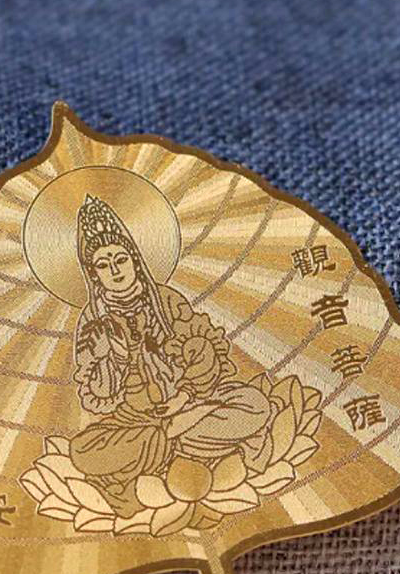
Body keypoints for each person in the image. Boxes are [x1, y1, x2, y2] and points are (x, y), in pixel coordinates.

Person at [68, 194, 276, 516]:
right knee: (82, 451)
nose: (116, 270)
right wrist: (116, 361)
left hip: (191, 403)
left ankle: (167, 450)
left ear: (135, 260)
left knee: (255, 404)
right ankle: (184, 443)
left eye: (121, 259)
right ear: (94, 275)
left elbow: (207, 349)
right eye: (104, 265)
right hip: (137, 421)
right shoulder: (93, 322)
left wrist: (185, 397)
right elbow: (97, 398)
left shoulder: (166, 301)